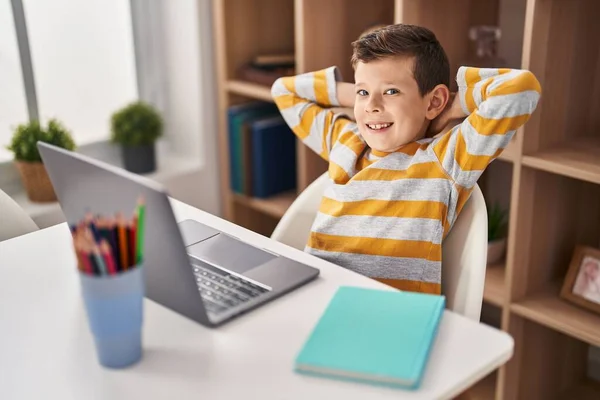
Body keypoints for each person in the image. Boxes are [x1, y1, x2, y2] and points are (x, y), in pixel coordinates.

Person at [270, 23, 541, 294]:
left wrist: (448, 107)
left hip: (390, 316)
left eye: (391, 91)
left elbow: (522, 89)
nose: (372, 106)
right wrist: (356, 90)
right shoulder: (346, 141)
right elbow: (284, 91)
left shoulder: (445, 160)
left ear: (434, 101)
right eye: (364, 93)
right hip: (316, 295)